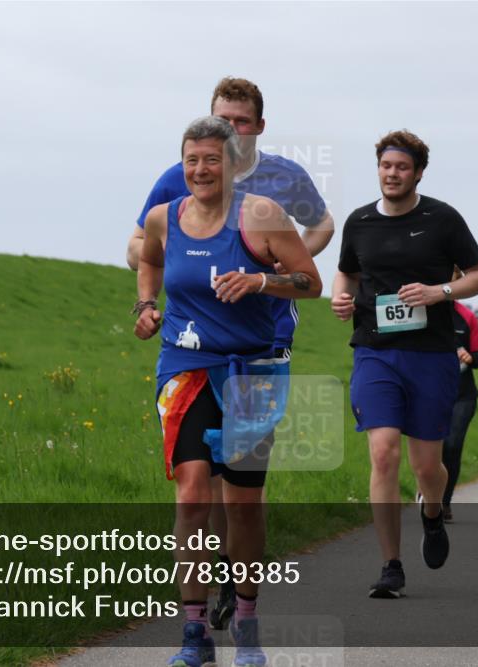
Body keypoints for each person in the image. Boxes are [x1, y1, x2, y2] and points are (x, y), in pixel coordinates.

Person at [127, 77, 335, 630]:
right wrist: (145, 306)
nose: (200, 170)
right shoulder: (163, 214)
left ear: (233, 161)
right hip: (185, 364)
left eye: (211, 160)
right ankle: (193, 629)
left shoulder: (264, 212)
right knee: (193, 493)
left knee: (242, 502)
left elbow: (310, 283)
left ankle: (245, 612)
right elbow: (146, 257)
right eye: (191, 160)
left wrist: (261, 283)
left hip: (253, 368)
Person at [332, 129, 478, 598]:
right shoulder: (359, 221)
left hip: (429, 355)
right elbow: (347, 271)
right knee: (382, 451)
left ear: (418, 173)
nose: (392, 174)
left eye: (402, 167)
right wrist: (341, 296)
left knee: (427, 468)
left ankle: (432, 511)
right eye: (386, 166)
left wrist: (438, 291)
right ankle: (390, 565)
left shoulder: (443, 219)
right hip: (375, 350)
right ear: (377, 169)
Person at [440, 292, 478, 520]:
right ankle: (428, 495)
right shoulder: (422, 312)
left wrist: (471, 357)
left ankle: (444, 501)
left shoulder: (466, 316)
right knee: (431, 449)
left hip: (462, 395)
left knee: (452, 446)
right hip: (431, 394)